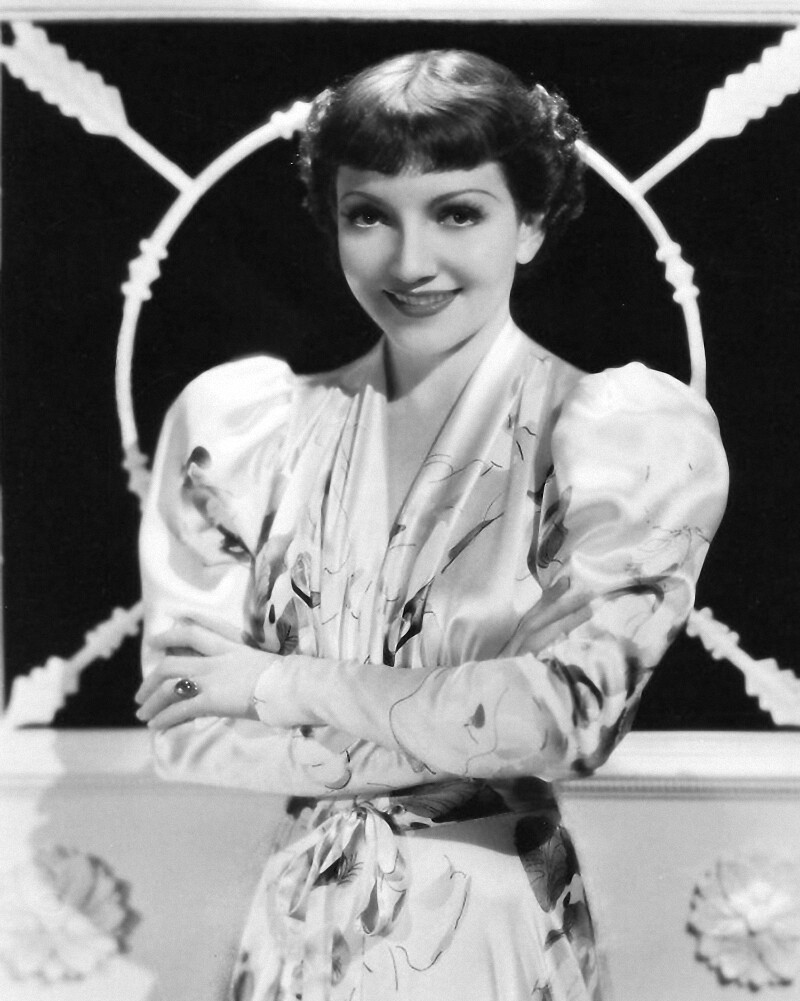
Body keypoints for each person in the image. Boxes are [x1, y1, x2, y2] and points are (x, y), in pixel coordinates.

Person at [135, 50, 728, 1001]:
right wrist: (469, 715)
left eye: (457, 212)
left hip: (491, 922)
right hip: (298, 925)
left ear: (531, 222)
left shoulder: (617, 432)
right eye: (369, 215)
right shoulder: (248, 430)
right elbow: (189, 725)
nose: (410, 262)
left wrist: (275, 682)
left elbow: (563, 719)